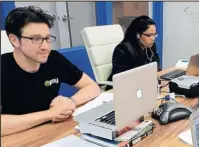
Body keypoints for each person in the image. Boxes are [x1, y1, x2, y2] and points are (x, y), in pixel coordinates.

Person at [1, 6, 101, 136]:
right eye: (35, 39)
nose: (45, 47)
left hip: (52, 131)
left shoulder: (54, 59)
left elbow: (92, 87)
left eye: (47, 38)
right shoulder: (3, 67)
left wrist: (70, 102)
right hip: (16, 139)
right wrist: (49, 114)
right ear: (14, 40)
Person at [107, 15, 164, 89]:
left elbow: (155, 68)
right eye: (149, 35)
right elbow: (122, 79)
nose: (153, 39)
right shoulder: (123, 49)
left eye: (154, 35)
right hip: (121, 90)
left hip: (143, 86)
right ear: (137, 35)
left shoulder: (150, 47)